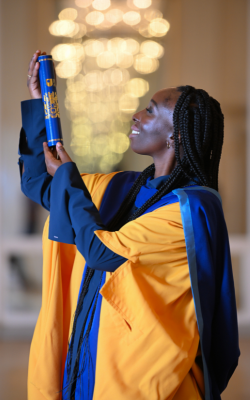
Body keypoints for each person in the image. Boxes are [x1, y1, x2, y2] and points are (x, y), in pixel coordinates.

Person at [19, 50, 240, 400]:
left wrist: (68, 177)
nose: (136, 115)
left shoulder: (191, 209)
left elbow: (100, 252)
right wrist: (44, 108)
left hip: (138, 373)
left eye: (150, 110)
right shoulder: (123, 185)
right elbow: (41, 185)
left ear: (175, 136)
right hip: (86, 354)